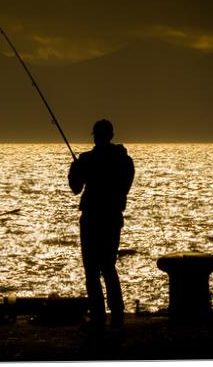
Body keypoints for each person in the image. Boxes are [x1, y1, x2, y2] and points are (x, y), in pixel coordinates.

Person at [68, 119, 135, 329]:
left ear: (96, 136)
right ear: (111, 135)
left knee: (91, 269)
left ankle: (98, 314)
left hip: (92, 219)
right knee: (108, 266)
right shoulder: (125, 161)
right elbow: (124, 187)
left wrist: (77, 168)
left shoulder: (87, 160)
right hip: (112, 218)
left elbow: (75, 188)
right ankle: (117, 312)